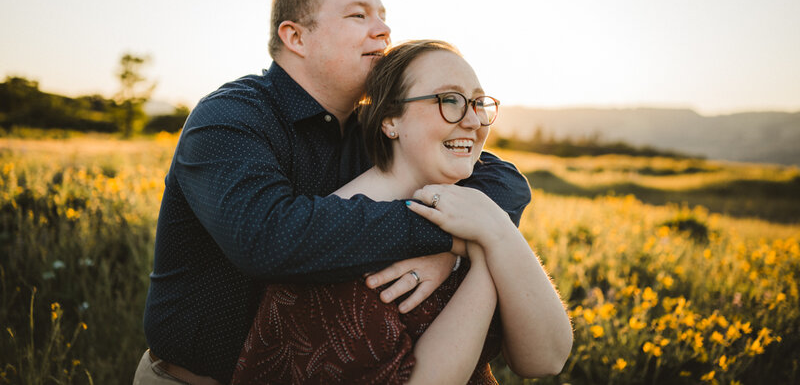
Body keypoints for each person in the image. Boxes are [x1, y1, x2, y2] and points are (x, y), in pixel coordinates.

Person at [135, 0, 532, 384]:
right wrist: (453, 236)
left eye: (383, 18)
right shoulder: (230, 118)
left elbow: (503, 181)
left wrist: (450, 249)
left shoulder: (373, 126)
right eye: (359, 15)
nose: (383, 31)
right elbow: (269, 239)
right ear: (296, 37)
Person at [231, 40, 572, 384]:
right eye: (449, 100)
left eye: (478, 103)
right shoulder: (340, 245)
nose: (473, 121)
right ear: (390, 119)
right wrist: (484, 252)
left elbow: (546, 359)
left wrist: (494, 230)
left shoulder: (473, 207)